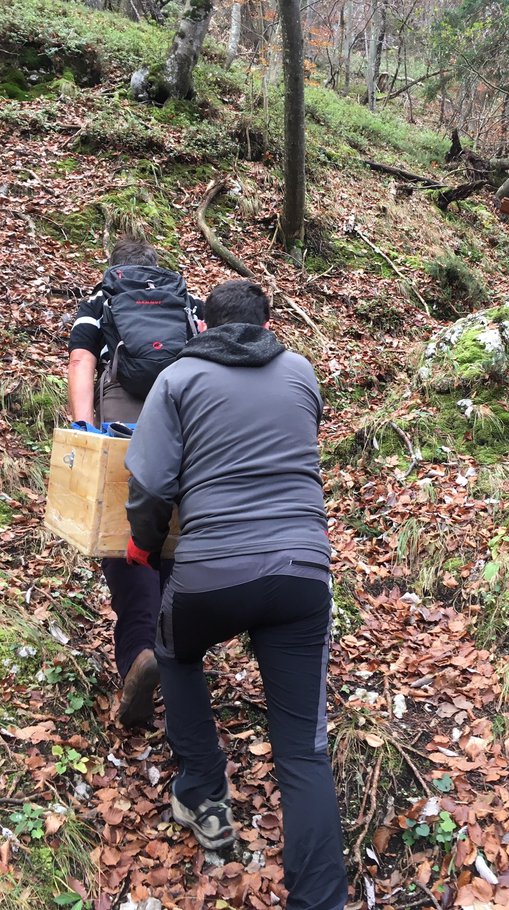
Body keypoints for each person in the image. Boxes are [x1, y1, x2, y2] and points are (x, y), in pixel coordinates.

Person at [123, 280, 348, 910]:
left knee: (175, 652)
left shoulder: (177, 378)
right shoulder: (301, 371)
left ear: (203, 327)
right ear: (268, 323)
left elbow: (148, 485)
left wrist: (142, 544)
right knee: (304, 746)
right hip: (302, 574)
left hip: (211, 571)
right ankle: (321, 899)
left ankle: (202, 792)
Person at [67, 236, 203, 727]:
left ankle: (139, 657)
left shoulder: (100, 301)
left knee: (125, 535)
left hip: (125, 428)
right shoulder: (187, 300)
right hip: (188, 422)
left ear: (113, 269)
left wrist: (84, 428)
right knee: (176, 536)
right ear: (156, 269)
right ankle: (178, 659)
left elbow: (83, 361)